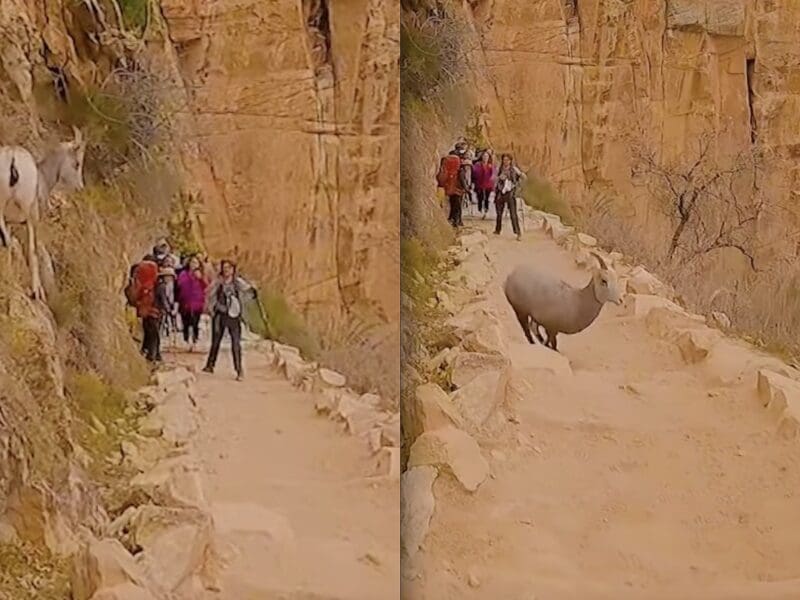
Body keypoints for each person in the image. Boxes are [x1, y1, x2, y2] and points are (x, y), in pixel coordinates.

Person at [202, 259, 257, 381]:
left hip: (234, 315)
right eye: (225, 267)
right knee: (216, 341)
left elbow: (248, 290)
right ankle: (210, 365)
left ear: (233, 269)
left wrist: (253, 291)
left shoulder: (237, 282)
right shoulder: (218, 282)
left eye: (229, 267)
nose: (226, 270)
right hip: (220, 316)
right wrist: (212, 308)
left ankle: (239, 370)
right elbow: (209, 294)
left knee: (235, 343)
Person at [130, 256, 163, 363]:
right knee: (154, 335)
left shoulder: (140, 283)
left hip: (145, 312)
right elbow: (161, 298)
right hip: (154, 312)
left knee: (149, 333)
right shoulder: (156, 284)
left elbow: (135, 297)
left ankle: (149, 354)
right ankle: (152, 356)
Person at [177, 254, 208, 352]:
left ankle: (195, 341)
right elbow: (179, 286)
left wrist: (200, 278)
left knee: (195, 323)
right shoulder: (183, 274)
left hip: (197, 303)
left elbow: (206, 287)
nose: (193, 264)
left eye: (196, 263)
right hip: (185, 303)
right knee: (185, 323)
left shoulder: (201, 275)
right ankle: (186, 341)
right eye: (192, 262)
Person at [436, 142, 471, 228]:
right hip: (457, 186)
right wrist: (467, 189)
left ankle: (453, 219)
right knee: (457, 205)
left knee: (453, 203)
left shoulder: (450, 156)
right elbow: (462, 177)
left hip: (450, 185)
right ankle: (457, 221)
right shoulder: (459, 161)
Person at [494, 153, 526, 241]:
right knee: (499, 213)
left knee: (513, 213)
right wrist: (499, 178)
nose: (506, 162)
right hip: (500, 192)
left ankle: (518, 232)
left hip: (510, 193)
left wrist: (520, 178)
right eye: (504, 160)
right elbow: (493, 179)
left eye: (507, 160)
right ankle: (497, 229)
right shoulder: (499, 169)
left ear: (510, 161)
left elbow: (523, 177)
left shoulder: (514, 169)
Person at [156, 266, 179, 348]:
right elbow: (163, 299)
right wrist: (168, 310)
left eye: (170, 276)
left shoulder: (172, 286)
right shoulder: (162, 286)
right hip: (162, 309)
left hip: (169, 306)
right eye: (167, 276)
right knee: (160, 329)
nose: (169, 278)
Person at [472, 149, 495, 219]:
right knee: (480, 197)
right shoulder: (477, 165)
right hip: (479, 184)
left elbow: (494, 174)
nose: (485, 158)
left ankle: (486, 210)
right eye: (484, 156)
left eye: (486, 156)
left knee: (487, 198)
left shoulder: (490, 165)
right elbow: (474, 173)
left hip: (488, 184)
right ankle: (480, 209)